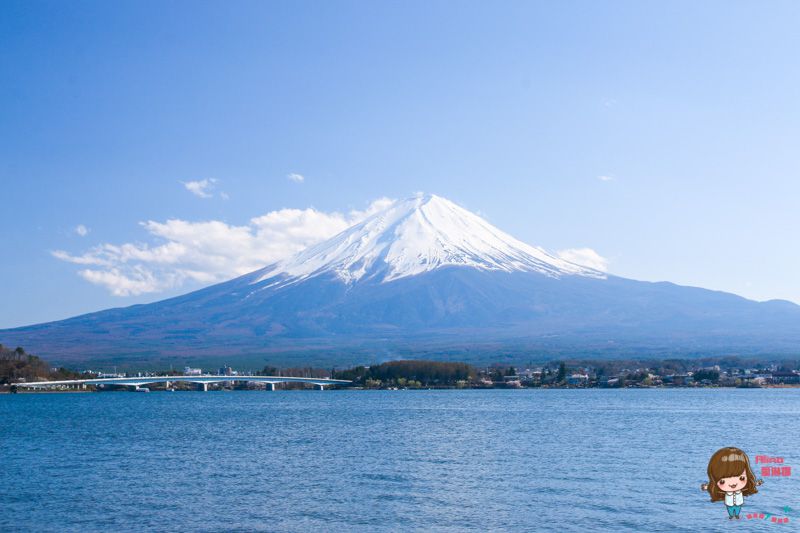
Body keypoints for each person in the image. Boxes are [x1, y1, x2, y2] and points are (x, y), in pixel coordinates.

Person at [701, 447, 763, 519]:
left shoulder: (742, 487)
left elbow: (750, 484)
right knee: (730, 507)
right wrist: (707, 487)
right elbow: (714, 486)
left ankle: (736, 515)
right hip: (729, 499)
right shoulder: (723, 489)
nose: (732, 483)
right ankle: (731, 515)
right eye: (722, 481)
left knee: (738, 506)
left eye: (741, 478)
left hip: (738, 498)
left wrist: (756, 483)